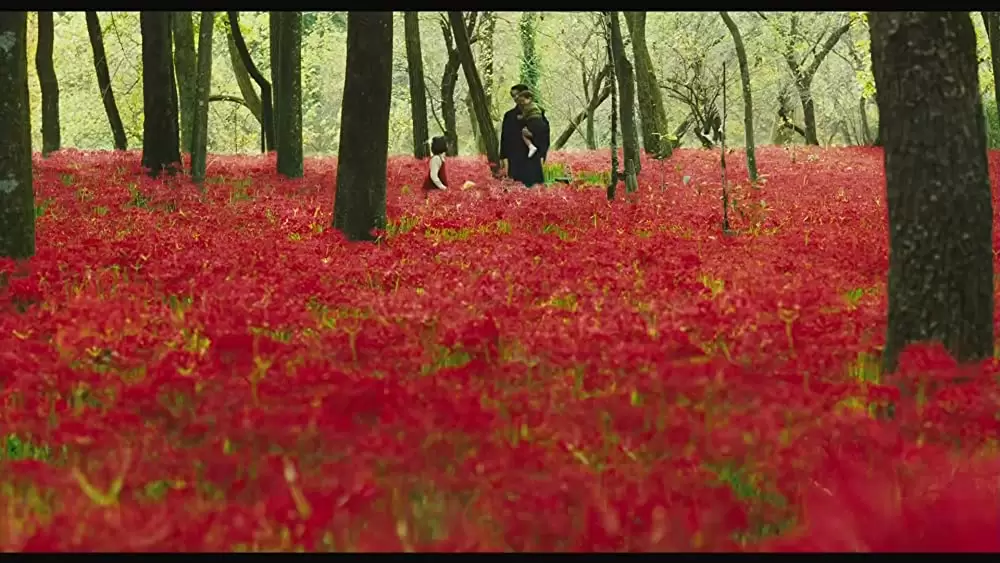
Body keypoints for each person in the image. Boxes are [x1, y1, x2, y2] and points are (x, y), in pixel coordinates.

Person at [499, 84, 550, 188]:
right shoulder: (509, 115)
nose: (515, 98)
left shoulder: (537, 112)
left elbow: (545, 133)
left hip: (532, 157)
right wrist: (503, 157)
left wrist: (542, 153)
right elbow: (505, 138)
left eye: (517, 95)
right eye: (513, 96)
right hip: (515, 158)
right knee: (517, 188)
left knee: (534, 188)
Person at [517, 92, 544, 158]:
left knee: (523, 132)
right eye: (521, 102)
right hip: (540, 121)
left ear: (530, 98)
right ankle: (534, 137)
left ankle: (531, 146)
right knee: (532, 132)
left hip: (532, 120)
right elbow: (543, 109)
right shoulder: (536, 105)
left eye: (523, 101)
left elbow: (524, 116)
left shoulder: (527, 107)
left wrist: (520, 117)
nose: (522, 103)